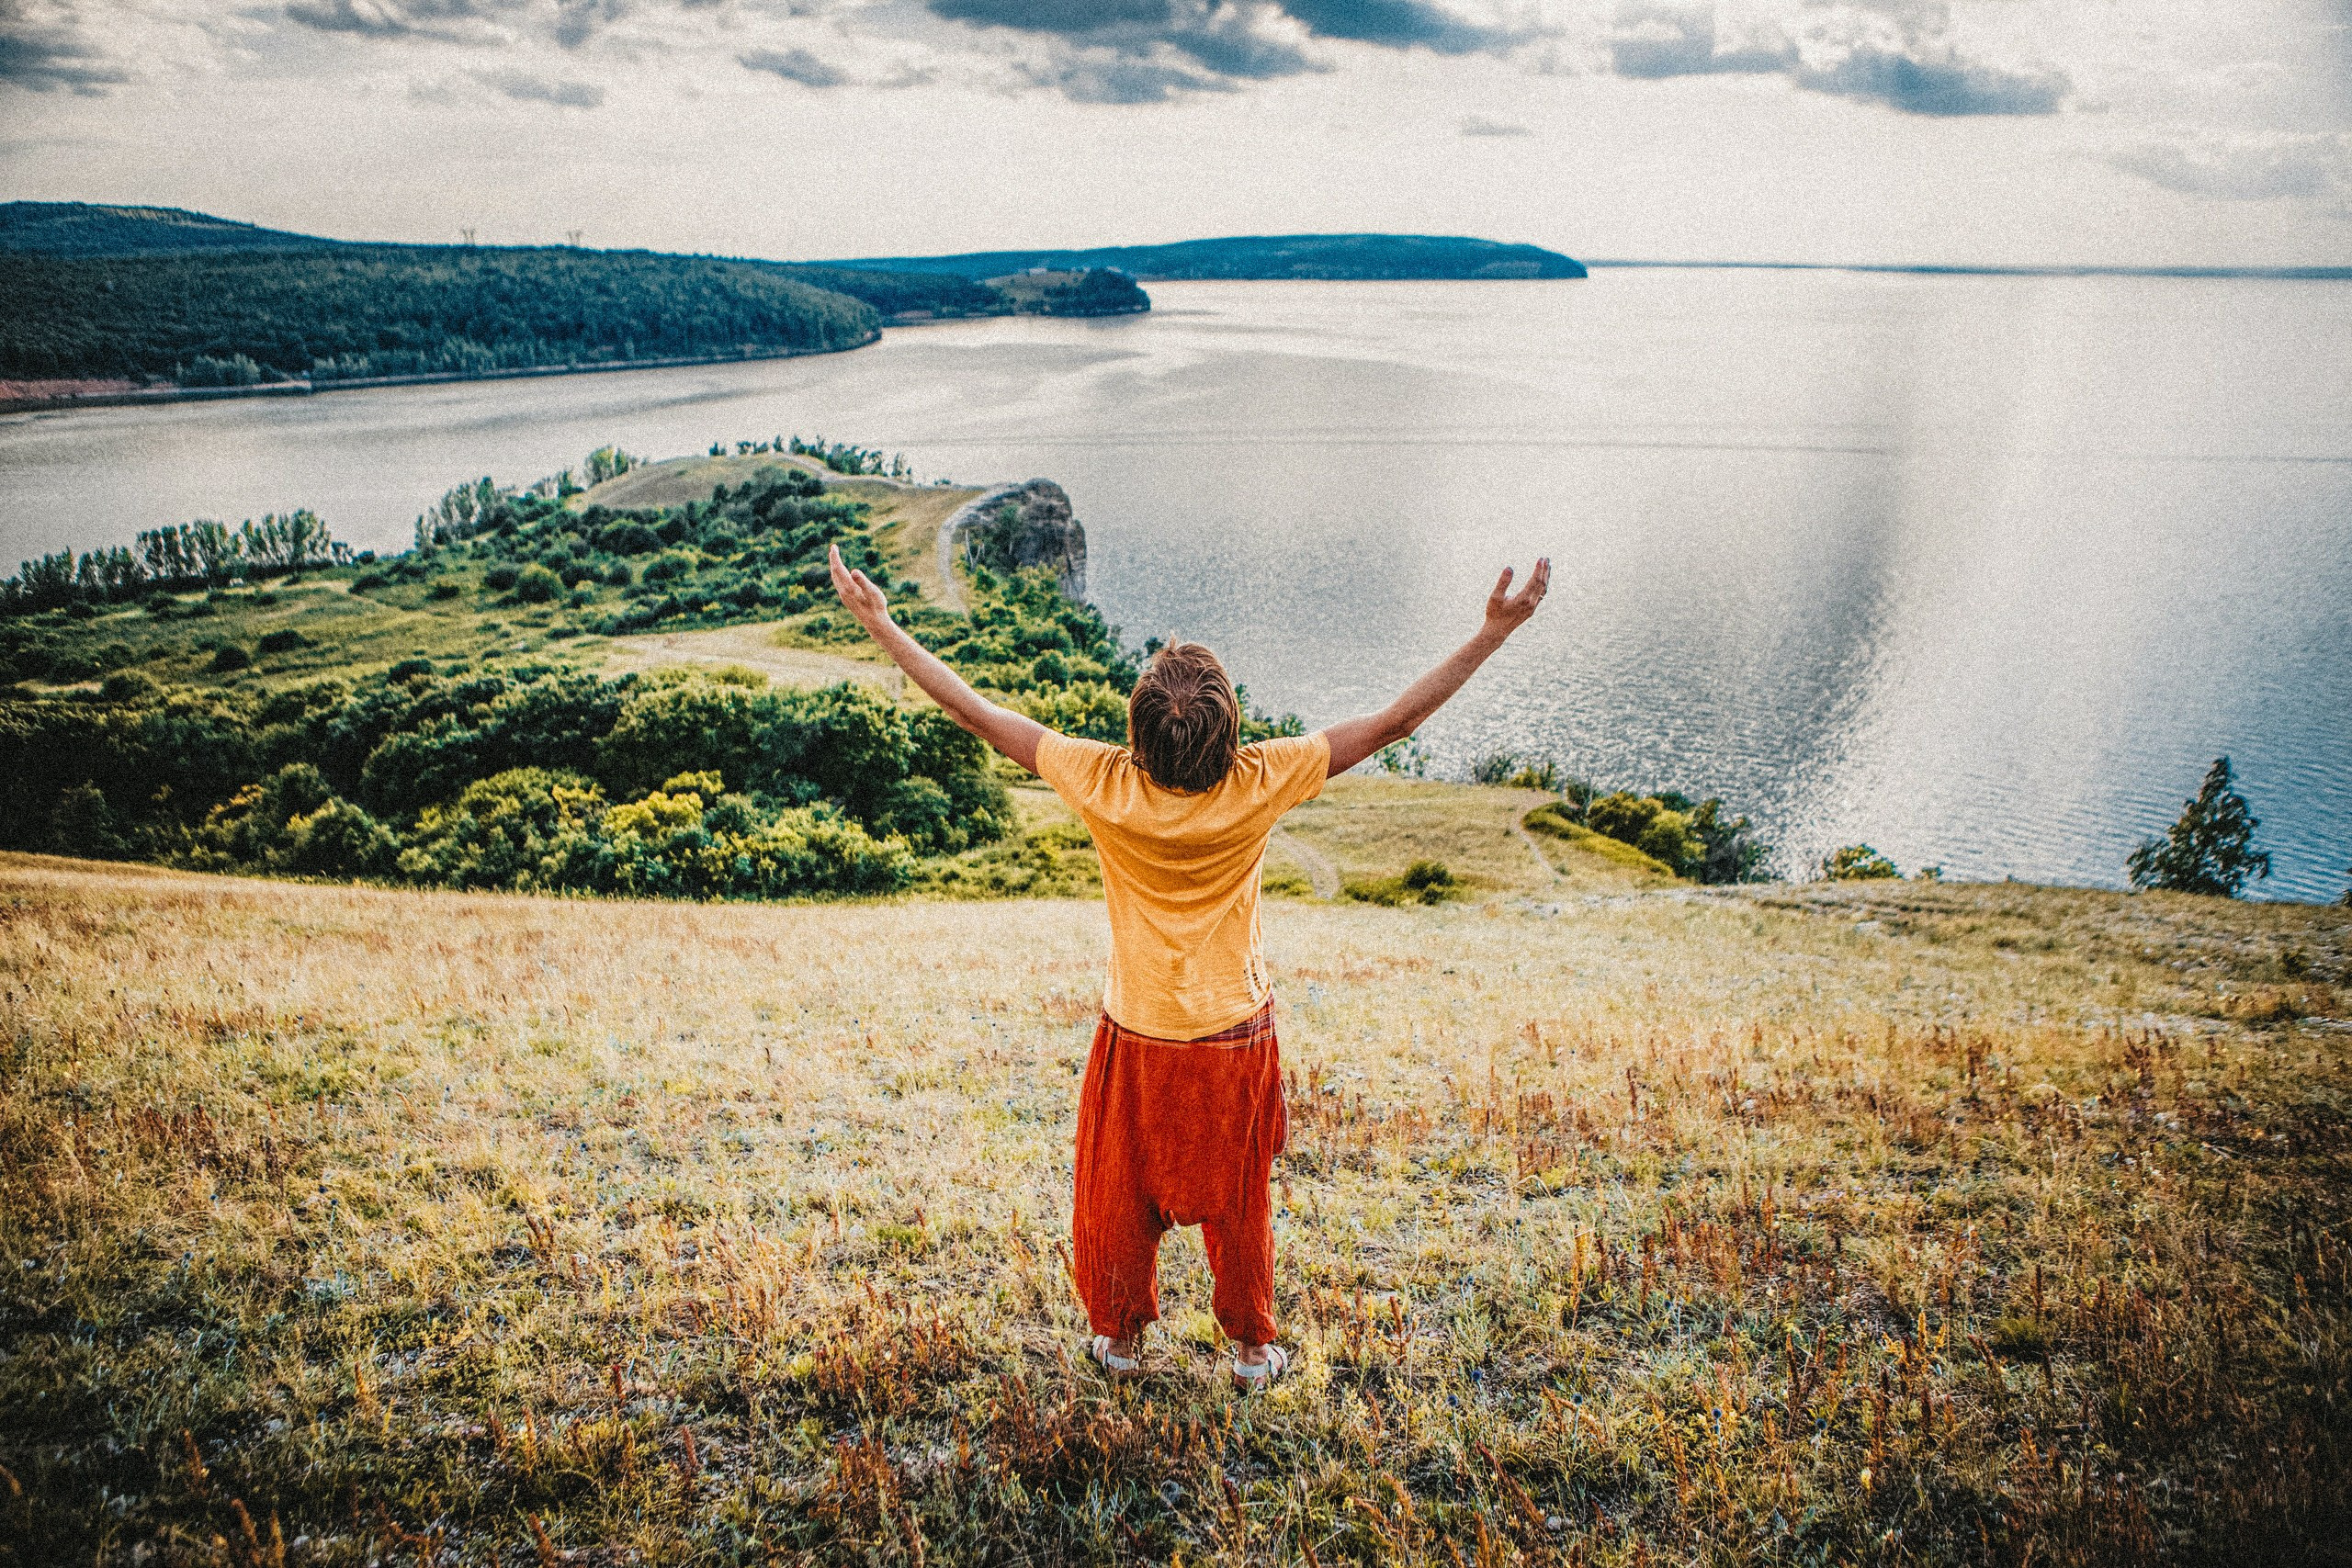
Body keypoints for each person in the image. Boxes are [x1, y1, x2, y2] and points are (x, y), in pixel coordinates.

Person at [827, 542, 1549, 1387]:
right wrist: (1493, 632)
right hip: (1234, 1030)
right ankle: (1251, 1351)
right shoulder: (1260, 777)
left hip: (1137, 1028)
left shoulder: (1101, 779)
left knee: (1119, 1192)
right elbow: (1395, 724)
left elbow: (976, 713)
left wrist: (882, 625)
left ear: (1137, 732)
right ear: (1229, 728)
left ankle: (1121, 1342)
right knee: (1238, 1196)